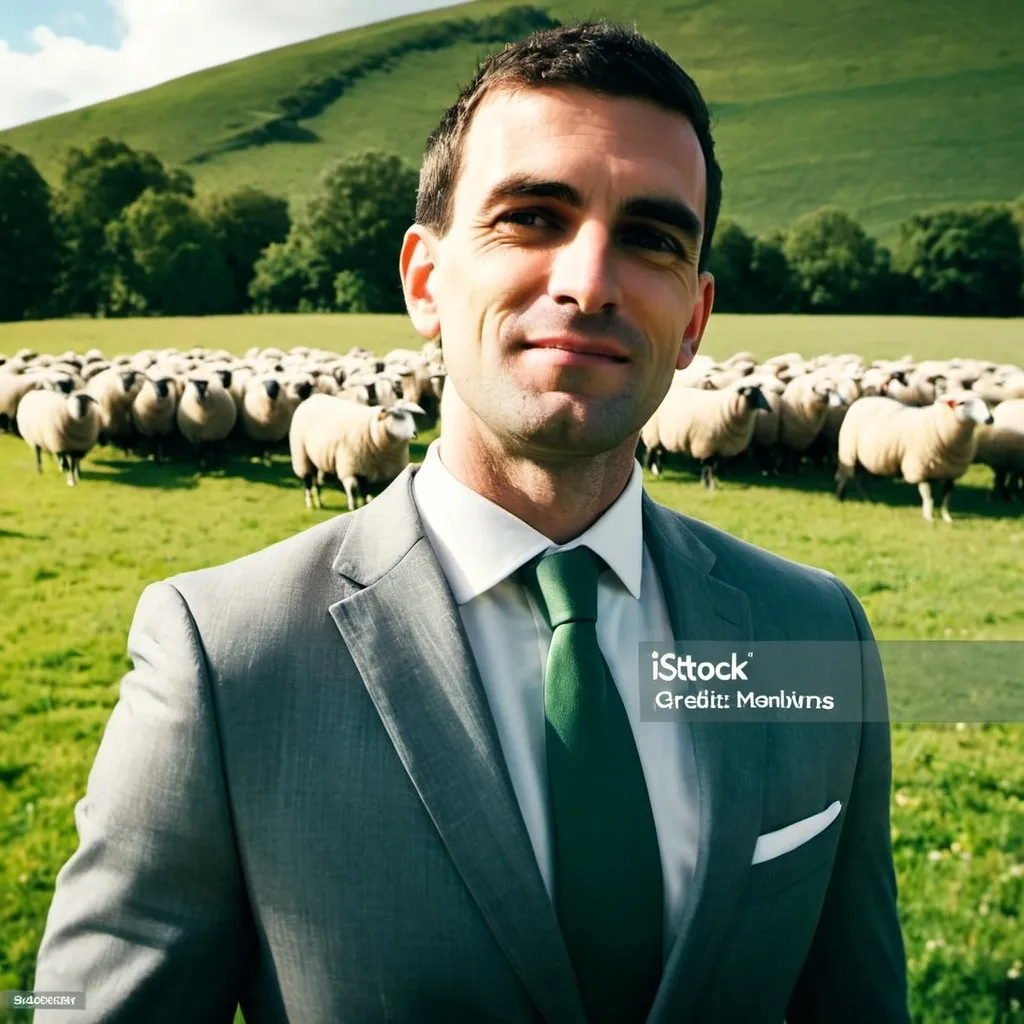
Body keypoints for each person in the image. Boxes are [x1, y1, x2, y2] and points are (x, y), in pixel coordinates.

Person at [32, 20, 909, 1024]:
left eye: (652, 239)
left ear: (696, 316)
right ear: (423, 279)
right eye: (532, 217)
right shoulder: (226, 655)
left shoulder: (808, 632)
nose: (588, 281)